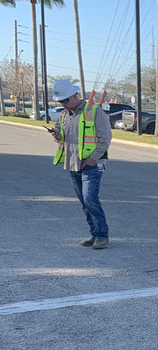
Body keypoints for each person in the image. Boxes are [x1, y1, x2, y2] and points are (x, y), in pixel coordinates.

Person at [49, 79, 112, 249]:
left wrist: (94, 158)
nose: (63, 104)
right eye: (60, 101)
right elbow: (62, 138)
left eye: (65, 100)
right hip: (72, 164)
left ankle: (102, 235)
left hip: (92, 164)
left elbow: (105, 138)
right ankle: (94, 233)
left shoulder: (94, 111)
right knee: (84, 202)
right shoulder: (63, 115)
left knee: (90, 199)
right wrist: (56, 135)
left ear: (75, 96)